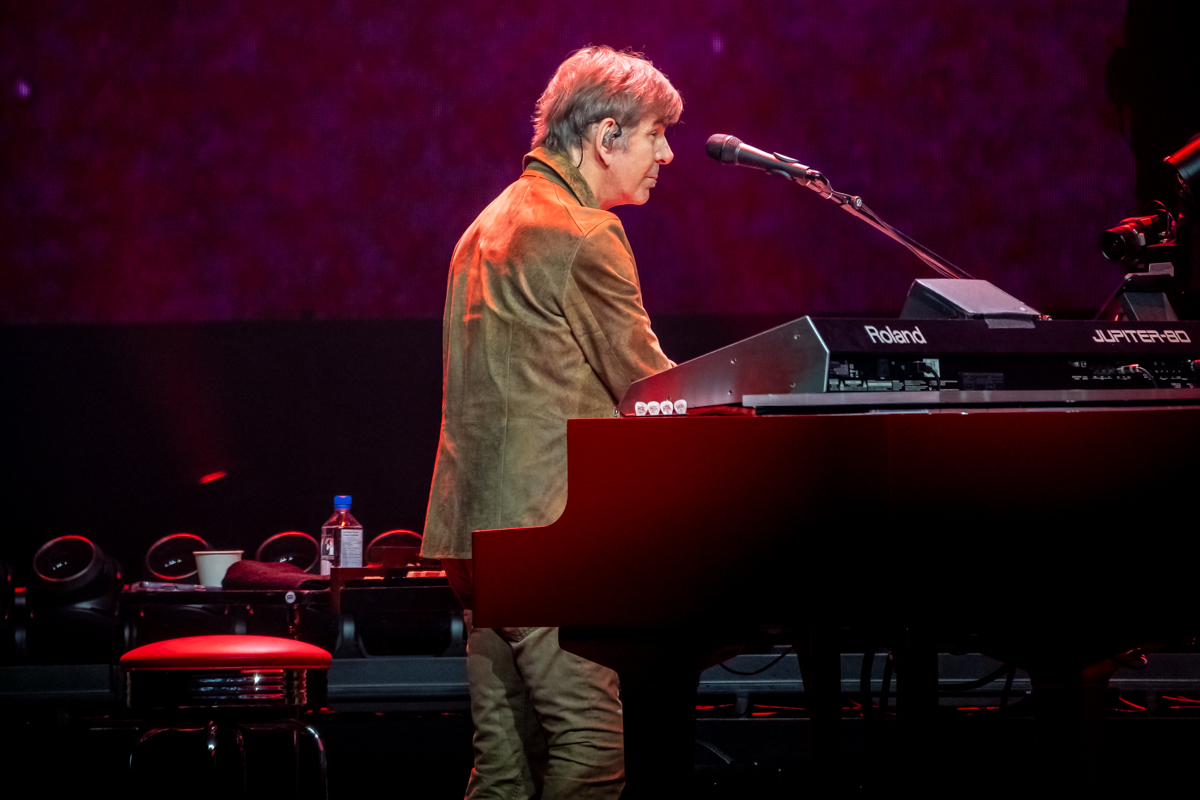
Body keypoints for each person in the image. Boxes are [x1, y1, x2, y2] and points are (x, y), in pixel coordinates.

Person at [421, 46, 682, 799]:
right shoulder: (583, 233)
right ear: (606, 136)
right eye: (655, 134)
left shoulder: (485, 226)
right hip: (549, 540)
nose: (666, 154)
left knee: (503, 767)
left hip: (475, 541)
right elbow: (648, 387)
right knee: (591, 754)